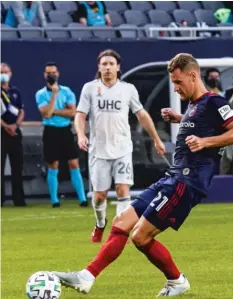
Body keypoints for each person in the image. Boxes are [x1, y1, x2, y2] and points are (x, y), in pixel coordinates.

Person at [52, 53, 233, 297]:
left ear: (193, 75)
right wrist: (180, 118)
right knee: (121, 222)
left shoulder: (215, 102)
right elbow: (201, 125)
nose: (175, 88)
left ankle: (176, 281)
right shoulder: (194, 106)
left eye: (178, 82)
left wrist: (205, 141)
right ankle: (86, 276)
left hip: (187, 182)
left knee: (140, 236)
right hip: (172, 177)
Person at [74, 49, 165, 243]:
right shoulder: (89, 88)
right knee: (100, 195)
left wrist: (156, 139)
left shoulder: (128, 89)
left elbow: (141, 114)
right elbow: (80, 115)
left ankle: (119, 233)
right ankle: (100, 224)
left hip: (123, 148)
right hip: (98, 150)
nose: (107, 67)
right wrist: (81, 135)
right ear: (99, 67)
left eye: (111, 64)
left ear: (118, 67)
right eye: (104, 64)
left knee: (123, 190)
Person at [35, 62, 87, 208]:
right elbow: (45, 113)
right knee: (53, 165)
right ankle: (54, 200)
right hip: (50, 131)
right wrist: (54, 95)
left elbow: (72, 112)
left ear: (58, 73)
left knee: (74, 163)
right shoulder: (41, 94)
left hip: (65, 130)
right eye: (48, 73)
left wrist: (54, 111)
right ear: (44, 75)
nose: (51, 75)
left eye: (53, 72)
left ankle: (82, 198)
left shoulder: (67, 91)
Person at [1, 62, 26, 207]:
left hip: (15, 132)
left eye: (5, 71)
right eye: (1, 72)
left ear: (10, 73)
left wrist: (15, 125)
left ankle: (19, 199)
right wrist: (6, 126)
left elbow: (21, 110)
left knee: (17, 166)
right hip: (1, 132)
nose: (3, 74)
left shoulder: (15, 91)